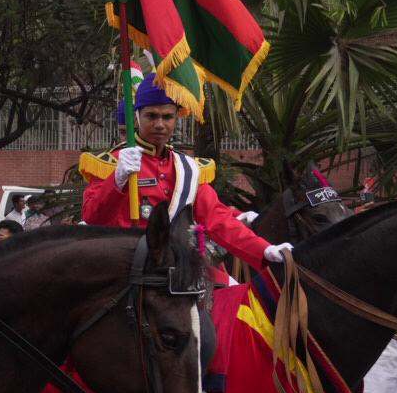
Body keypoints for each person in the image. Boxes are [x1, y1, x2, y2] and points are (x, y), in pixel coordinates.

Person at [80, 74, 285, 270]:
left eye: (167, 117)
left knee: (230, 293)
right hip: (123, 265)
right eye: (151, 116)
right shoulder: (112, 163)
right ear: (137, 117)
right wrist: (117, 179)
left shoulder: (187, 168)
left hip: (174, 265)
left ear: (177, 118)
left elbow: (217, 218)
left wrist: (265, 249)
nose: (160, 124)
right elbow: (91, 218)